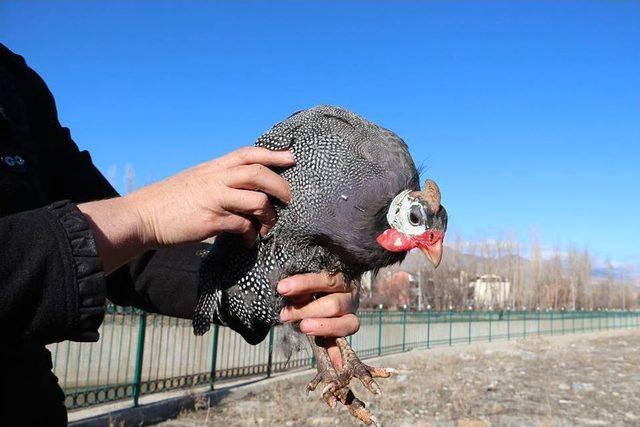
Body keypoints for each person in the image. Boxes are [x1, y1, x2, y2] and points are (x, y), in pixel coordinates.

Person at [0, 43, 359, 426]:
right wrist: (142, 214)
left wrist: (280, 288)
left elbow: (126, 256)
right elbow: (128, 227)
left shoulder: (14, 80)